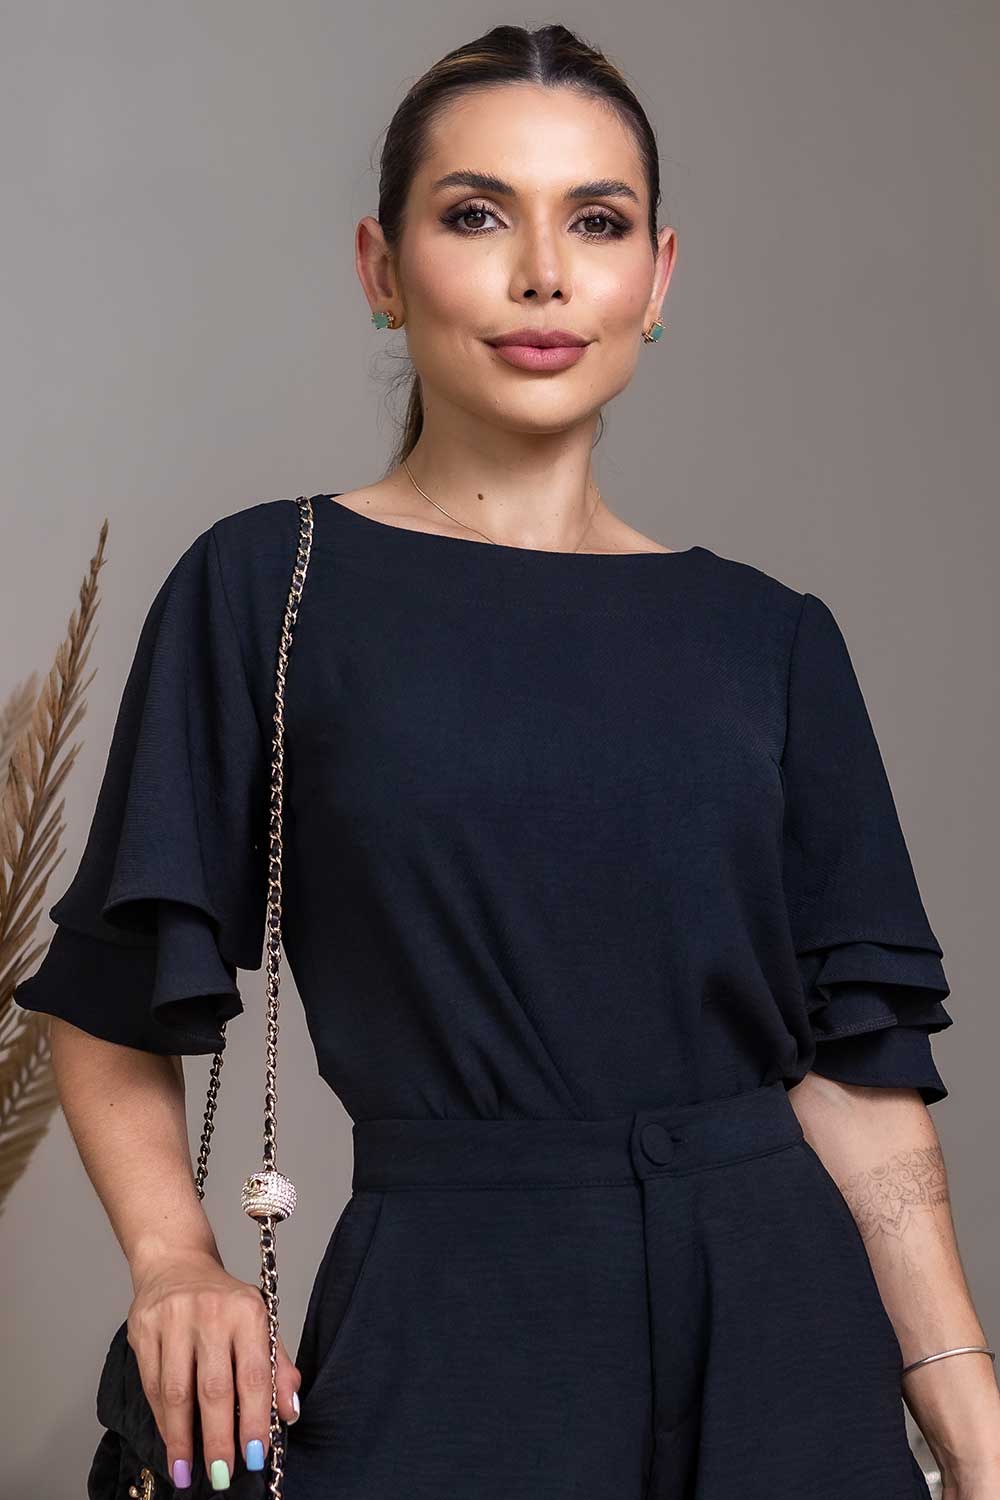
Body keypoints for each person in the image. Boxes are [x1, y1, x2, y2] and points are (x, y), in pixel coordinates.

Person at [14, 22, 1000, 1500]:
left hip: (784, 1331)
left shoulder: (774, 638)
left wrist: (967, 1409)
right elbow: (104, 994)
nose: (544, 274)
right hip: (452, 1314)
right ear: (381, 267)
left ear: (656, 278)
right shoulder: (266, 588)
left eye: (596, 223)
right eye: (477, 215)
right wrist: (174, 1260)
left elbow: (857, 1086)